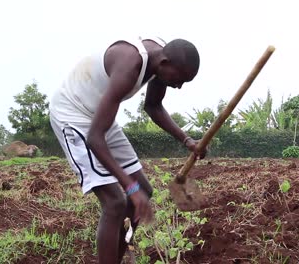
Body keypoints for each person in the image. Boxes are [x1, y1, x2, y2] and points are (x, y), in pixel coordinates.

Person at [49, 36, 207, 264]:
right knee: (115, 202)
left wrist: (187, 140)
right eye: (179, 79)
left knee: (144, 190)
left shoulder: (160, 60)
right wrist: (129, 187)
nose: (179, 86)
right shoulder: (130, 65)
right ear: (164, 64)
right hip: (74, 115)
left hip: (101, 115)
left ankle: (117, 257)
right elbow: (95, 138)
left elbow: (153, 106)